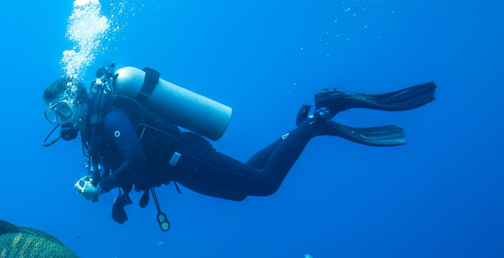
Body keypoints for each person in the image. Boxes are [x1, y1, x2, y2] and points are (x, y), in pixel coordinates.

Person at [42, 66, 435, 227]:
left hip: (189, 157)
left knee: (263, 184)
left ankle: (317, 121)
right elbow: (123, 164)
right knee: (241, 192)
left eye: (62, 109)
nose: (61, 121)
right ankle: (300, 130)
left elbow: (135, 158)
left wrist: (103, 187)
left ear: (78, 98)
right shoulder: (94, 127)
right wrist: (97, 181)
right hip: (182, 168)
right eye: (53, 115)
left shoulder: (109, 116)